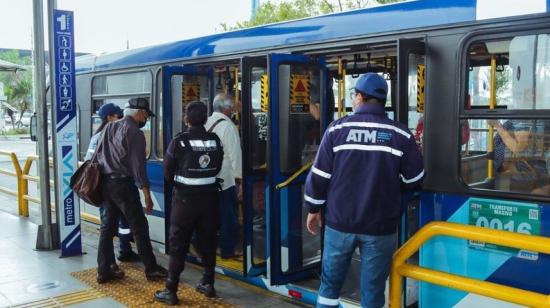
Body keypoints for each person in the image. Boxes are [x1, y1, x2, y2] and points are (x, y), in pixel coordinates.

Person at [304, 73, 424, 308]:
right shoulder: (400, 134)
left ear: (359, 97)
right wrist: (393, 193)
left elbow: (319, 176)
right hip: (380, 226)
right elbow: (416, 177)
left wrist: (313, 208)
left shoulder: (336, 130)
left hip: (339, 223)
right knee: (373, 291)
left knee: (329, 287)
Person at [154, 102, 224, 305]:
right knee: (208, 242)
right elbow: (217, 167)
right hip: (210, 200)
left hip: (184, 202)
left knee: (178, 245)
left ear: (186, 119)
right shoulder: (215, 140)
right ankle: (208, 284)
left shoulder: (179, 142)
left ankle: (171, 289)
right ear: (205, 119)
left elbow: (167, 172)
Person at [95, 97, 167, 283]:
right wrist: (147, 195)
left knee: (107, 228)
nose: (146, 119)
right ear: (139, 113)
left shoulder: (109, 127)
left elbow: (99, 155)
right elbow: (138, 167)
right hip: (123, 186)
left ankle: (103, 270)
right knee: (139, 227)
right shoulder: (135, 133)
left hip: (106, 184)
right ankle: (151, 268)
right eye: (146, 115)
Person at [85, 103, 140, 264]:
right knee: (110, 225)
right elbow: (91, 163)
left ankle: (122, 253)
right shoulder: (106, 135)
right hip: (108, 185)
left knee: (117, 223)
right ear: (109, 117)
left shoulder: (101, 135)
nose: (121, 118)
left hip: (107, 186)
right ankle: (113, 259)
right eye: (118, 115)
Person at [205, 93, 243, 259]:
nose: (234, 109)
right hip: (226, 181)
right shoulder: (228, 126)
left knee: (212, 216)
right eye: (233, 106)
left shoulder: (206, 122)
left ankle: (210, 247)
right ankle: (227, 250)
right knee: (229, 217)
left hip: (208, 180)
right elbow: (235, 156)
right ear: (227, 108)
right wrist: (240, 181)